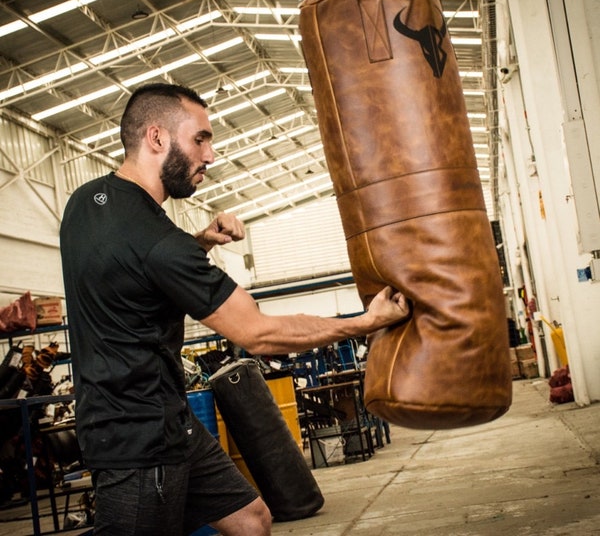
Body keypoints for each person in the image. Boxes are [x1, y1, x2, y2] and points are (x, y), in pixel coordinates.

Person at [59, 82, 410, 536]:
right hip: (140, 439)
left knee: (251, 520)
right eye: (200, 139)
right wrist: (366, 322)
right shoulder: (159, 243)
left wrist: (200, 242)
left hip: (156, 420)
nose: (210, 155)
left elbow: (131, 268)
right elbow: (258, 333)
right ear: (156, 138)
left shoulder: (86, 203)